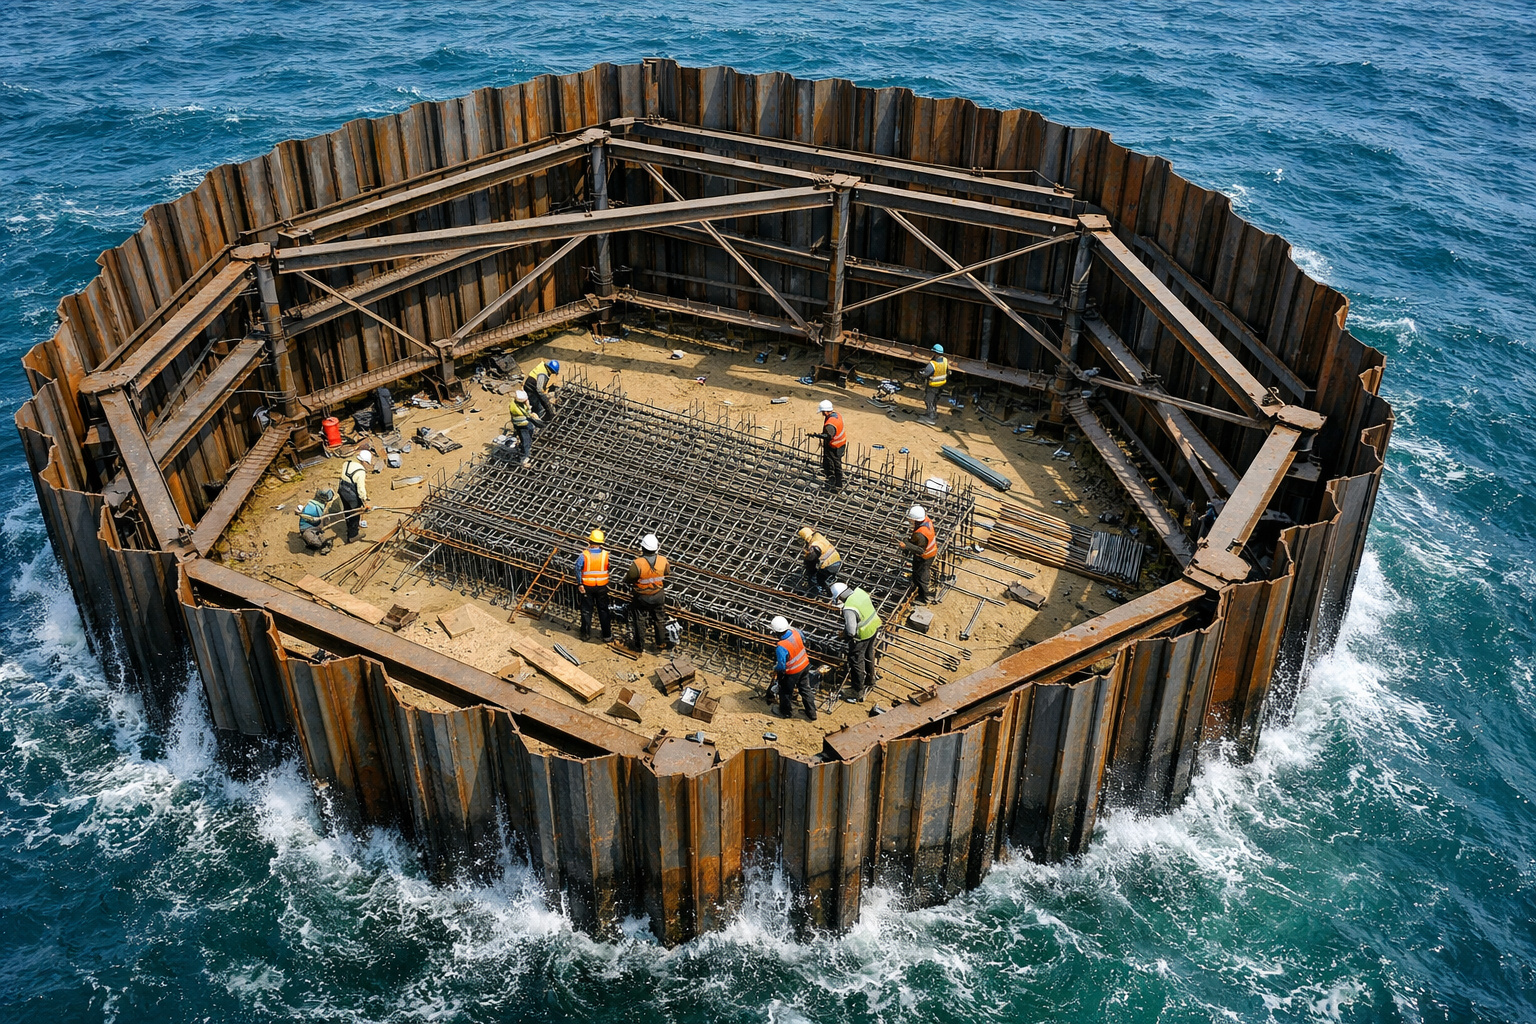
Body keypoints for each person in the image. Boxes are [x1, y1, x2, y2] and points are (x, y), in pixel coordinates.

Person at [831, 582, 882, 699]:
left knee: (856, 661)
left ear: (839, 597)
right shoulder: (860, 592)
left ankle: (857, 690)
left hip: (862, 635)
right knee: (869, 655)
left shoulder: (849, 608)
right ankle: (870, 679)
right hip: (874, 627)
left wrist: (844, 636)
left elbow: (851, 631)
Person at [624, 533, 672, 653]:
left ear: (643, 548)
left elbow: (630, 578)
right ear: (656, 548)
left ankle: (639, 646)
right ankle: (661, 643)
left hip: (642, 597)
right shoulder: (663, 560)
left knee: (639, 620)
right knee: (659, 619)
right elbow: (667, 572)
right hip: (658, 595)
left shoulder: (638, 563)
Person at [770, 615, 816, 721]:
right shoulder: (796, 632)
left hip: (793, 672)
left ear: (776, 632)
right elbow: (803, 640)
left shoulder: (781, 646)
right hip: (804, 664)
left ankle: (785, 712)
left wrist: (776, 670)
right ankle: (812, 713)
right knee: (805, 689)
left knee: (785, 691)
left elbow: (781, 666)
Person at [575, 528, 612, 642]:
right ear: (601, 543)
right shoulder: (606, 554)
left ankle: (585, 634)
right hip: (602, 586)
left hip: (587, 587)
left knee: (586, 610)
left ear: (590, 542)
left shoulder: (584, 555)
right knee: (603, 610)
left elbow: (577, 568)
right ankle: (607, 635)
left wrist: (580, 583)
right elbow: (607, 566)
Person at [897, 504, 938, 603]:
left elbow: (920, 550)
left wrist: (906, 546)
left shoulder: (920, 534)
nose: (910, 521)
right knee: (916, 572)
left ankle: (925, 598)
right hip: (929, 552)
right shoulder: (926, 521)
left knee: (921, 576)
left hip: (925, 556)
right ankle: (917, 586)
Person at [337, 449, 372, 544]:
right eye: (367, 463)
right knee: (355, 513)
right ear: (363, 461)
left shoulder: (347, 463)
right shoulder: (360, 471)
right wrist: (364, 500)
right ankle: (353, 535)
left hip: (341, 489)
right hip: (351, 494)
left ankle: (349, 528)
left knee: (347, 510)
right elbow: (361, 489)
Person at [795, 526, 842, 596]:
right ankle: (827, 591)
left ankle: (817, 593)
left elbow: (812, 557)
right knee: (823, 578)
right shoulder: (818, 538)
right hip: (836, 560)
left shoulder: (816, 543)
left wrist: (809, 568)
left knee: (817, 580)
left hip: (830, 564)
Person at [508, 389, 544, 468]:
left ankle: (522, 446)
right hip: (523, 425)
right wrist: (529, 408)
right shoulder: (520, 408)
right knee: (526, 441)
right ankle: (525, 459)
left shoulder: (513, 404)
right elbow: (528, 414)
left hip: (517, 425)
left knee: (523, 436)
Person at [817, 399, 847, 489]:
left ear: (826, 411)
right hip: (840, 444)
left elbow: (829, 436)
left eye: (822, 412)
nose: (822, 414)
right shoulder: (837, 415)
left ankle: (837, 484)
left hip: (834, 446)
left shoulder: (830, 424)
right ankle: (832, 479)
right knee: (832, 463)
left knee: (834, 464)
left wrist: (817, 435)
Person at [296, 488, 335, 555]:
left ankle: (325, 544)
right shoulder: (316, 507)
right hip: (309, 527)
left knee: (314, 540)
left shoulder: (312, 504)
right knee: (312, 539)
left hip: (310, 527)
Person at [916, 344, 948, 423]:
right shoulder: (945, 360)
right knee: (934, 400)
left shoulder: (932, 364)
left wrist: (920, 373)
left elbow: (925, 373)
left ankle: (931, 416)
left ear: (935, 353)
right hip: (941, 384)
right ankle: (933, 413)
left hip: (933, 385)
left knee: (928, 400)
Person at [523, 358, 561, 422]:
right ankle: (539, 424)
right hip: (530, 389)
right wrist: (545, 399)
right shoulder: (543, 374)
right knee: (540, 408)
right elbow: (539, 389)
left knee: (533, 404)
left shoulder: (543, 366)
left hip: (529, 385)